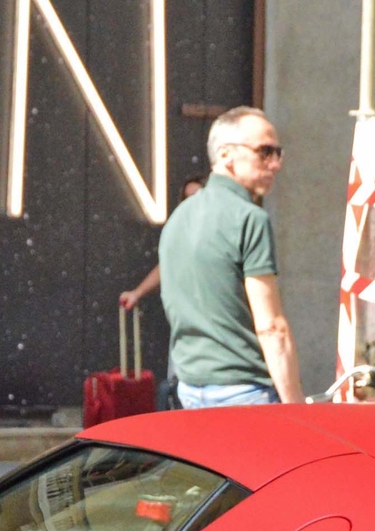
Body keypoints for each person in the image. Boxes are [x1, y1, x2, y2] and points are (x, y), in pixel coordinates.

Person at [155, 109, 300, 407]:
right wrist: (296, 405)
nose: (275, 164)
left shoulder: (179, 217)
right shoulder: (250, 218)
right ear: (226, 155)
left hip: (189, 389)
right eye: (264, 152)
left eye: (278, 153)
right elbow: (272, 326)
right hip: (245, 392)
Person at [122, 172, 206, 410]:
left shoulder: (222, 228)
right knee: (181, 388)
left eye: (198, 196)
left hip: (216, 326)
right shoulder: (181, 232)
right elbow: (166, 265)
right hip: (188, 325)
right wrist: (137, 293)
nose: (193, 203)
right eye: (187, 198)